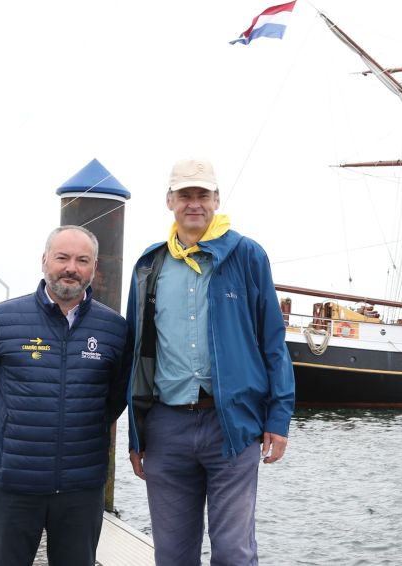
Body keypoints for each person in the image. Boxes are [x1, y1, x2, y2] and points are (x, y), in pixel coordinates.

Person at [126, 157, 296, 565]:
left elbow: (273, 342)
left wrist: (278, 418)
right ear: (169, 201)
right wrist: (135, 433)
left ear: (216, 199)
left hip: (232, 425)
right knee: (172, 554)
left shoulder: (247, 255)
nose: (194, 203)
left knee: (234, 552)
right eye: (184, 195)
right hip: (166, 426)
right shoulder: (150, 265)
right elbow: (134, 350)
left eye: (202, 194)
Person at [0, 225, 129, 566]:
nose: (71, 268)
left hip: (81, 485)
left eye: (82, 260)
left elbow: (115, 397)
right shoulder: (0, 320)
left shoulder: (114, 329)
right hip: (12, 481)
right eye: (62, 258)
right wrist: (6, 431)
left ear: (94, 268)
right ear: (44, 261)